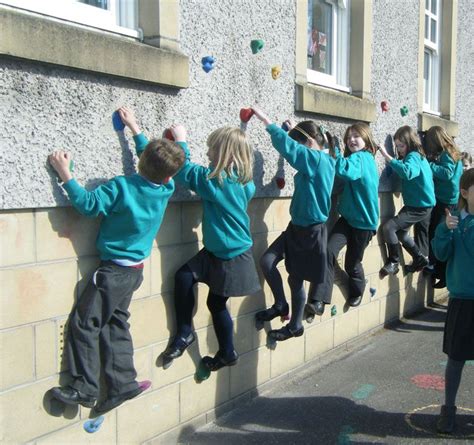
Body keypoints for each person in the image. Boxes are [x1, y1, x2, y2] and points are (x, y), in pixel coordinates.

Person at [49, 107, 185, 414]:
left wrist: (64, 172)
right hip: (134, 272)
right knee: (114, 325)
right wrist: (134, 127)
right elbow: (156, 160)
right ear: (168, 174)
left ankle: (83, 387)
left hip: (111, 273)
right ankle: (123, 384)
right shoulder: (167, 187)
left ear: (141, 162)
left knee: (85, 323)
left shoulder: (121, 187)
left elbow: (86, 205)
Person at [161, 124, 260, 371]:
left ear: (225, 154)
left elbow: (184, 170)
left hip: (230, 256)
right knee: (188, 280)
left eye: (212, 150)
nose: (207, 155)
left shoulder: (218, 181)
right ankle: (194, 337)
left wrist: (181, 140)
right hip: (219, 250)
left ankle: (222, 349)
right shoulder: (243, 182)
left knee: (212, 300)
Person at [252, 107, 335, 341]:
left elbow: (290, 150)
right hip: (296, 228)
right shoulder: (321, 158)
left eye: (301, 144)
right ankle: (280, 304)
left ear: (308, 143)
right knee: (267, 261)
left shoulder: (318, 160)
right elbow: (300, 149)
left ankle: (295, 325)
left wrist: (268, 122)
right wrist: (291, 130)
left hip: (311, 232)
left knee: (295, 278)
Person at [305, 123, 379, 317]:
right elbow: (341, 177)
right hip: (347, 219)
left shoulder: (363, 158)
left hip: (364, 224)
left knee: (352, 264)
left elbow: (346, 171)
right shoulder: (355, 159)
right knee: (328, 251)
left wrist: (335, 149)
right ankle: (318, 301)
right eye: (349, 137)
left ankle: (357, 291)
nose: (352, 140)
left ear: (366, 140)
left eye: (356, 136)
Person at [432, 168, 474, 434]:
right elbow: (441, 253)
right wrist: (445, 231)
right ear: (465, 193)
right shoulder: (453, 221)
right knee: (456, 359)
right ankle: (448, 409)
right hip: (461, 300)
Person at [378, 126, 435, 276]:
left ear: (410, 143)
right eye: (396, 146)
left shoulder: (414, 156)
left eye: (401, 146)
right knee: (401, 233)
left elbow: (408, 172)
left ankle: (393, 262)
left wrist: (387, 156)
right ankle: (419, 258)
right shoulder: (417, 156)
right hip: (419, 205)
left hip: (419, 207)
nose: (399, 149)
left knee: (389, 228)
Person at [424, 126, 463, 288]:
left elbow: (446, 173)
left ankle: (440, 271)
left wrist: (429, 165)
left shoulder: (447, 153)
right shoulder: (454, 152)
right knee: (441, 232)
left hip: (445, 200)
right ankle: (441, 272)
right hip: (451, 199)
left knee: (436, 232)